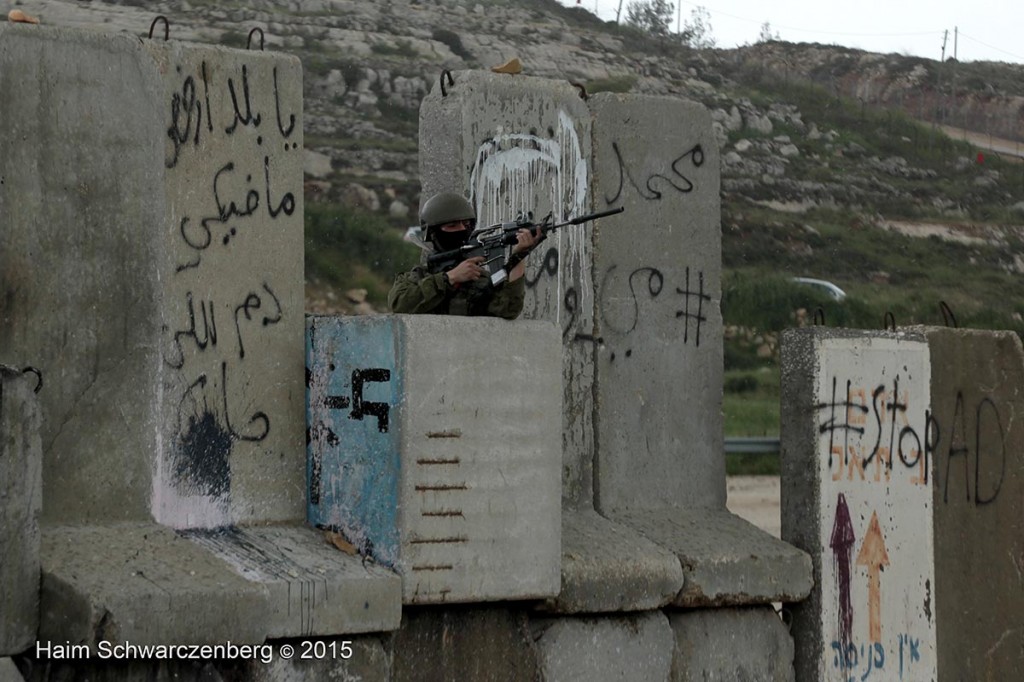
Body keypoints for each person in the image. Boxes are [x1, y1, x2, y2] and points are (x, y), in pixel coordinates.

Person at [388, 192, 540, 319]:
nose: (462, 229)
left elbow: (508, 310)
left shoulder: (480, 279)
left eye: (466, 225)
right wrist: (450, 278)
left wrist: (519, 256)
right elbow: (400, 305)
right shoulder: (417, 278)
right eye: (452, 225)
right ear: (433, 233)